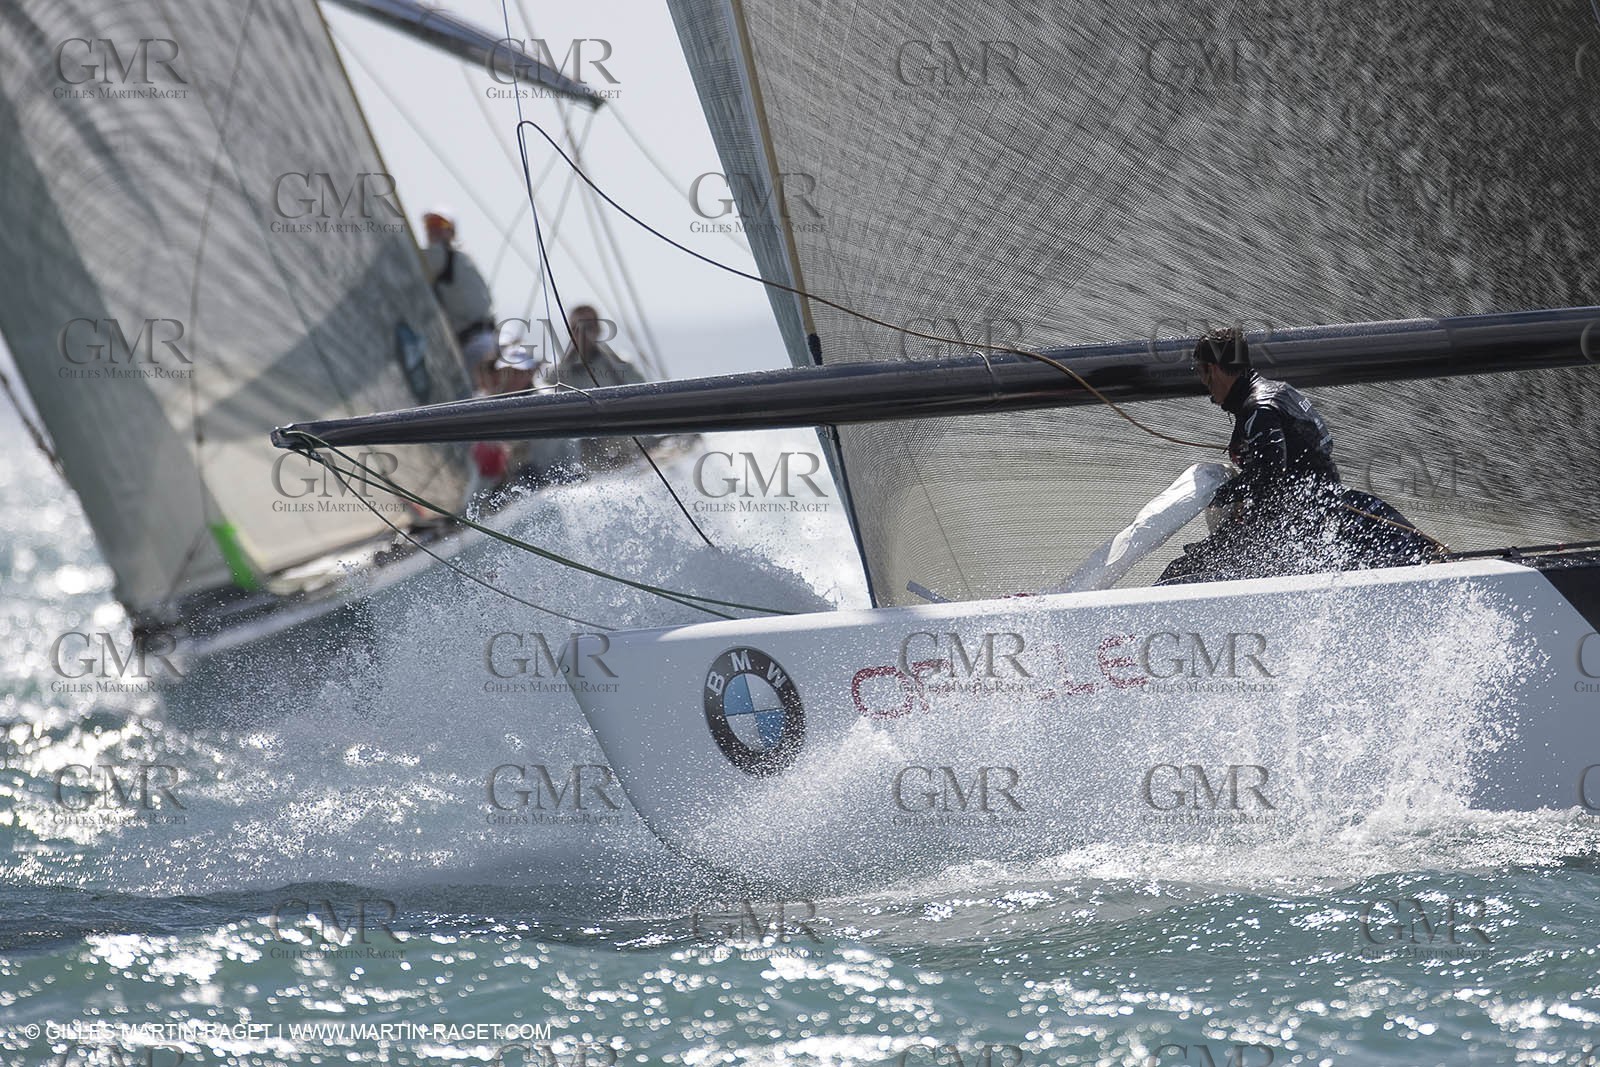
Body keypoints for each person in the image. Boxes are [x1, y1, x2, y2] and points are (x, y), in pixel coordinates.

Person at [1158, 326, 1437, 584]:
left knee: (1180, 573)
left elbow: (1270, 475)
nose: (1203, 383)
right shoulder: (1280, 391)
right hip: (1320, 507)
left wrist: (1220, 494)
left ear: (1214, 369)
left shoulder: (1260, 410)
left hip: (1294, 523)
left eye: (1199, 370)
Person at [555, 304, 648, 470]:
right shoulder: (559, 372)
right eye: (577, 328)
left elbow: (644, 395)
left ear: (598, 329)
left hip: (623, 446)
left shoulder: (619, 363)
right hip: (583, 452)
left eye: (589, 326)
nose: (584, 333)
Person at [422, 207, 497, 386]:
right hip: (485, 339)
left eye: (440, 224)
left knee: (472, 400)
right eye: (429, 224)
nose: (434, 229)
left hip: (473, 344)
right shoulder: (462, 257)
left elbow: (402, 268)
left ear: (451, 231)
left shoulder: (440, 254)